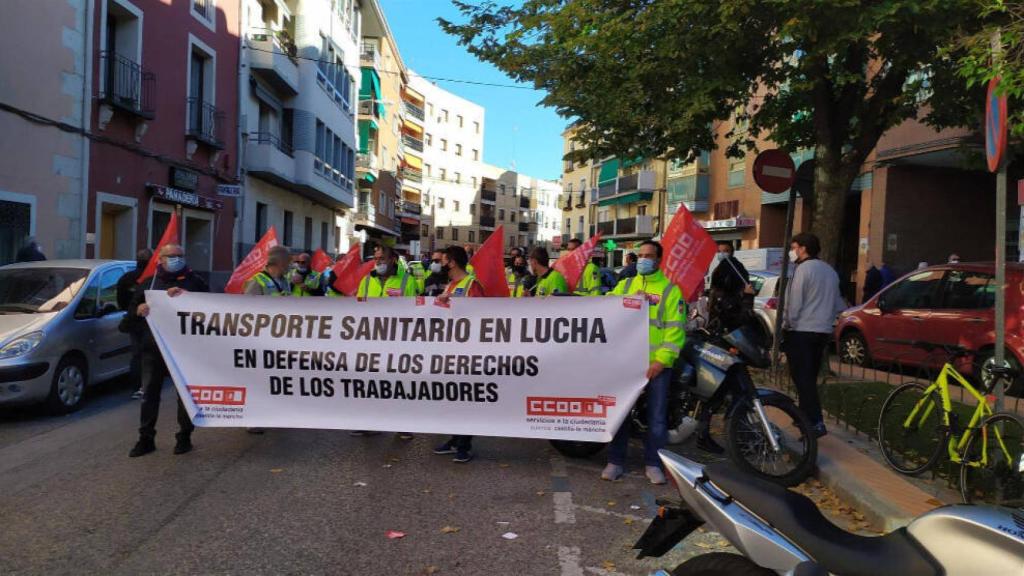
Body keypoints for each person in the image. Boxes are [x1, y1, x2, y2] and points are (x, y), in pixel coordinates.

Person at [602, 240, 686, 485]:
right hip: (627, 364)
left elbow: (675, 332)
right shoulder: (626, 284)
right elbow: (603, 308)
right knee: (621, 414)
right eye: (640, 255)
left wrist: (661, 361)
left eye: (648, 255)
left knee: (657, 418)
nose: (643, 259)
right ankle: (615, 462)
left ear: (659, 260)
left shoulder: (670, 291)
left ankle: (653, 464)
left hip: (656, 366)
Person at [128, 244, 208, 457]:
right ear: (160, 259)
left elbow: (209, 311)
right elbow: (129, 316)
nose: (176, 259)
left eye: (179, 256)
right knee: (149, 395)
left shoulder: (195, 281)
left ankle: (184, 437)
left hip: (185, 351)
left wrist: (189, 297)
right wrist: (139, 310)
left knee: (185, 395)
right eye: (170, 256)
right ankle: (146, 439)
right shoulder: (149, 283)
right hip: (154, 348)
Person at [783, 233, 846, 438]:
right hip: (822, 332)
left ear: (803, 248)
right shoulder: (830, 271)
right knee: (809, 377)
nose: (792, 252)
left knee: (802, 379)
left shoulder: (802, 270)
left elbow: (795, 302)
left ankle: (815, 421)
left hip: (801, 330)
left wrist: (788, 323)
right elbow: (838, 304)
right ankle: (804, 419)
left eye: (794, 248)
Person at [433, 246, 484, 463]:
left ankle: (464, 444)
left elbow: (482, 316)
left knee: (466, 399)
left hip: (469, 352)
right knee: (454, 398)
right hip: (450, 350)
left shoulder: (472, 285)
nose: (439, 264)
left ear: (451, 262)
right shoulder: (451, 285)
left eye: (442, 260)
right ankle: (455, 439)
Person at [117, 249, 153, 400]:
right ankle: (149, 386)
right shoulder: (153, 279)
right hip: (151, 322)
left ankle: (137, 387)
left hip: (133, 321)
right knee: (151, 355)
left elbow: (120, 300)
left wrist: (130, 311)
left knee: (137, 355)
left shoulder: (126, 278)